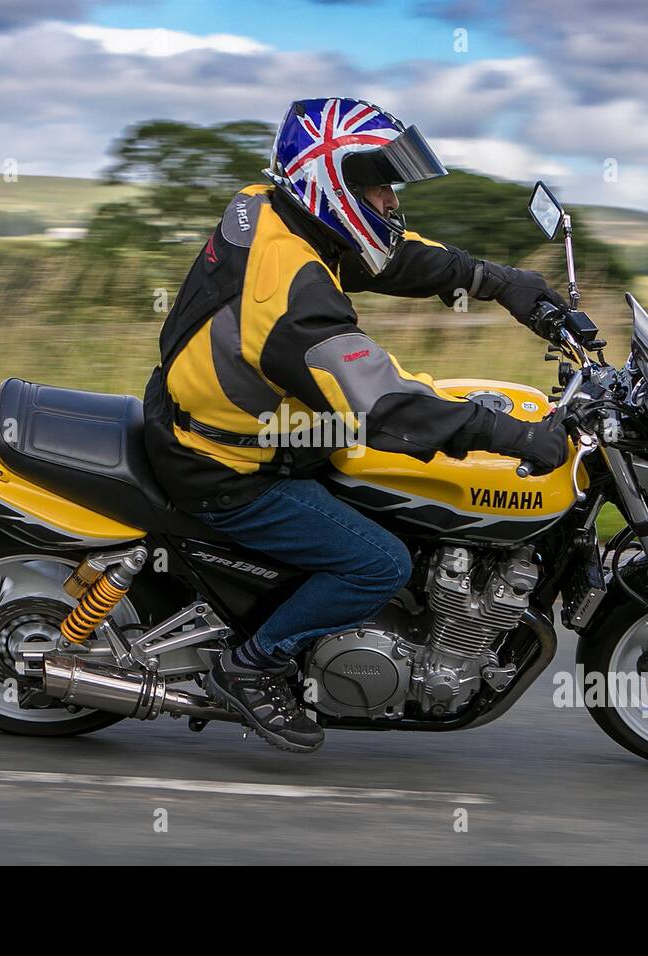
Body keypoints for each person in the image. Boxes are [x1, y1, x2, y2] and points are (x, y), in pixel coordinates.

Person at [142, 97, 570, 752]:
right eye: (378, 183)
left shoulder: (272, 206)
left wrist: (497, 280)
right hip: (224, 465)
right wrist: (512, 437)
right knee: (377, 563)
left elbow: (390, 256)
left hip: (234, 417)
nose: (392, 201)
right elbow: (385, 404)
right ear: (330, 182)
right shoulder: (291, 296)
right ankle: (250, 666)